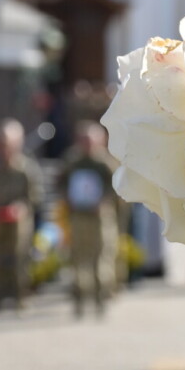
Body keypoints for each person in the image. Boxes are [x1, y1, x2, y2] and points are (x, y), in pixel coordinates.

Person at [59, 121, 118, 318]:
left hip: (99, 218)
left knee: (101, 258)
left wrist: (103, 202)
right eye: (83, 140)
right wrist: (67, 199)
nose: (87, 144)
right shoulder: (72, 161)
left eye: (90, 140)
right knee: (78, 259)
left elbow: (116, 188)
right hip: (78, 218)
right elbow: (61, 183)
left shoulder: (105, 163)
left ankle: (102, 299)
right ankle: (80, 300)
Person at [0, 118, 43, 311]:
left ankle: (21, 296)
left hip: (19, 221)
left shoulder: (27, 168)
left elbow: (35, 196)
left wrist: (21, 207)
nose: (4, 148)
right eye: (1, 143)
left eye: (8, 143)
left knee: (20, 258)